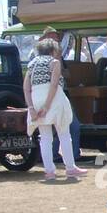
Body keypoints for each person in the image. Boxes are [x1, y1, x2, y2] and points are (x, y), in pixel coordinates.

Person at [23, 38, 87, 182]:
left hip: (36, 99)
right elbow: (53, 85)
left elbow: (26, 88)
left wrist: (32, 108)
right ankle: (70, 167)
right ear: (53, 51)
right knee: (64, 134)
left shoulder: (32, 64)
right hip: (53, 99)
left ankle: (49, 171)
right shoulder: (54, 62)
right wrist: (47, 106)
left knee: (45, 138)